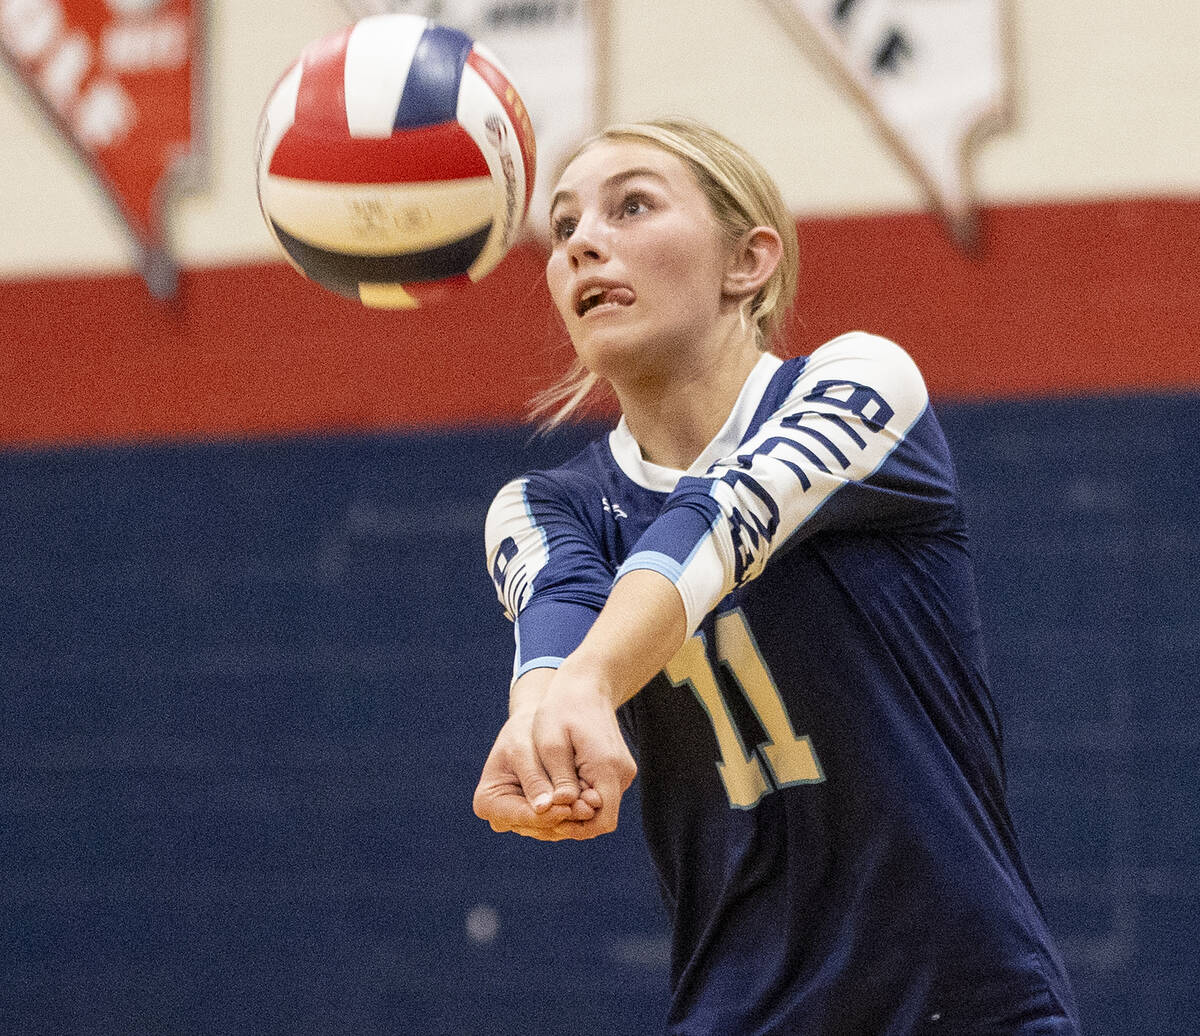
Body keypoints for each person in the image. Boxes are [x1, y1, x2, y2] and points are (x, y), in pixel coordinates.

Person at [472, 117, 1081, 1035]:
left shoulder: (863, 385)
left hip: (964, 1006)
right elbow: (556, 624)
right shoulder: (542, 506)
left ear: (748, 261)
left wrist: (587, 686)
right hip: (738, 1012)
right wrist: (539, 732)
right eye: (562, 228)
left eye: (631, 205)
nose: (584, 241)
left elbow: (723, 516)